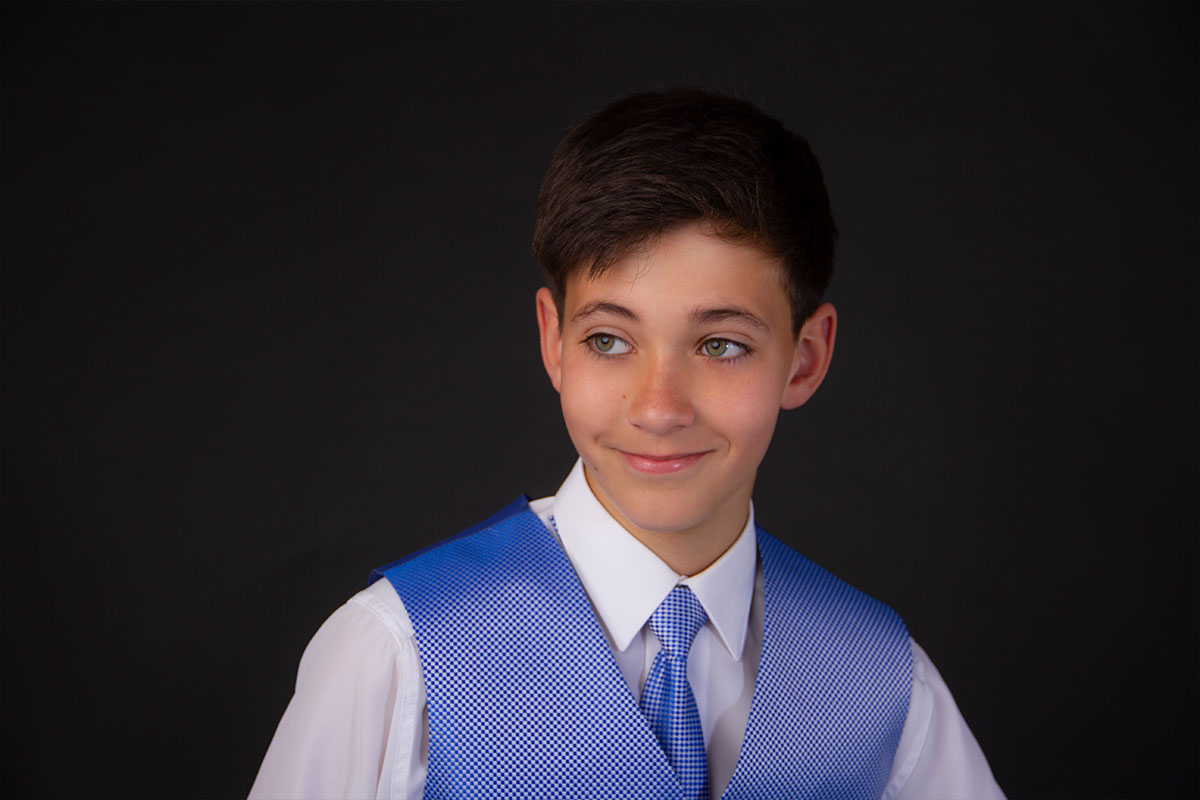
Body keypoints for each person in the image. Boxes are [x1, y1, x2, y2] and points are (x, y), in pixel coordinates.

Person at [249, 88, 1004, 800]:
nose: (658, 408)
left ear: (804, 360)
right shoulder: (400, 655)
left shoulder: (884, 685)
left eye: (721, 345)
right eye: (609, 340)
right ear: (554, 342)